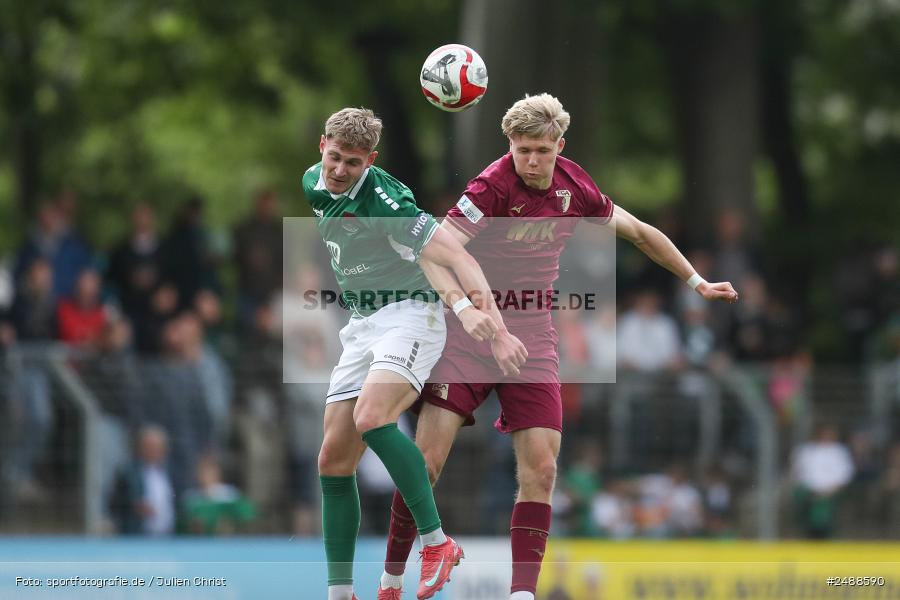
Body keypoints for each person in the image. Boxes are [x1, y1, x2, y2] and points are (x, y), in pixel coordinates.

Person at [379, 93, 739, 600]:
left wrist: (697, 281)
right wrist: (474, 316)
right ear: (509, 144)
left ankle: (522, 595)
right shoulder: (489, 187)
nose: (531, 161)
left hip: (531, 336)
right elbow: (433, 253)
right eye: (522, 150)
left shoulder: (575, 185)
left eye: (542, 151)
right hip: (468, 334)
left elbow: (639, 232)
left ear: (559, 146)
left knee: (543, 468)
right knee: (426, 464)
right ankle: (391, 581)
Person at [302, 107, 527, 600]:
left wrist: (487, 323)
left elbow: (457, 256)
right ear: (322, 146)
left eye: (353, 163)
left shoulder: (389, 203)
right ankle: (341, 593)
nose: (339, 170)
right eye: (335, 157)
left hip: (410, 316)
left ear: (371, 161)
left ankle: (437, 542)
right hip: (362, 324)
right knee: (333, 460)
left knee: (371, 418)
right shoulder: (312, 182)